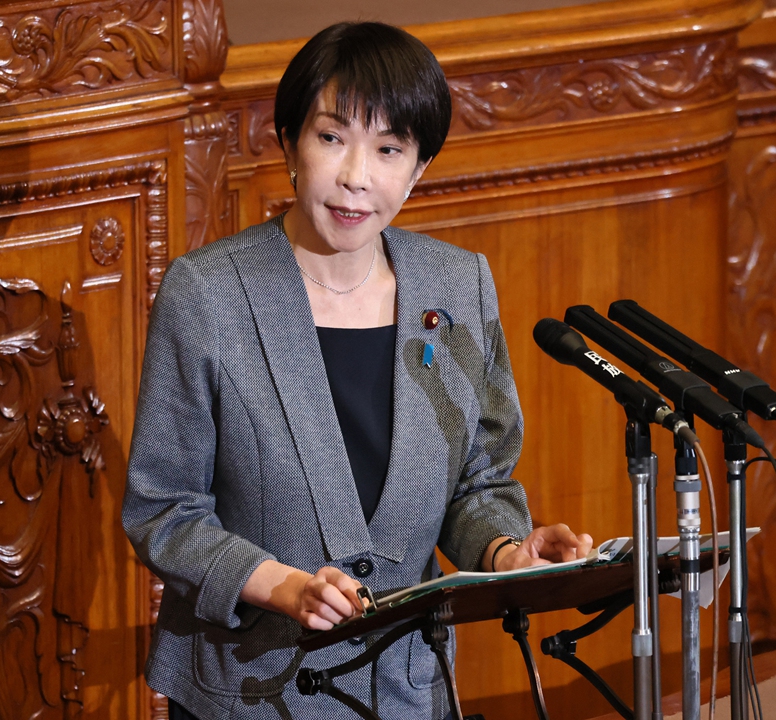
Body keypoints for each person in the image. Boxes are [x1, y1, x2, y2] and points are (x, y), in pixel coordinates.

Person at [122, 21, 594, 720]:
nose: (356, 177)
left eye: (389, 149)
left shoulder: (457, 286)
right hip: (253, 690)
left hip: (410, 689)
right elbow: (164, 510)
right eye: (332, 137)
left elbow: (479, 481)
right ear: (288, 142)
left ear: (419, 167)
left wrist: (507, 552)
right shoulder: (208, 294)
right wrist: (281, 585)